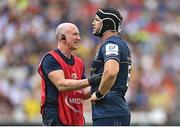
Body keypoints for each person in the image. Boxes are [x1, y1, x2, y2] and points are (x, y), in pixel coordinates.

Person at [38, 23, 101, 126]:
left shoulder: (79, 62)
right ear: (63, 38)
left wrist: (102, 84)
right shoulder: (51, 58)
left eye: (79, 34)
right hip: (56, 118)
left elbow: (84, 93)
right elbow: (61, 85)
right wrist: (91, 81)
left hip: (75, 118)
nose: (79, 38)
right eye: (75, 34)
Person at [90, 7, 132, 126]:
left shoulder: (111, 44)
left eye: (97, 20)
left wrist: (99, 94)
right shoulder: (118, 44)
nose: (93, 23)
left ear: (107, 23)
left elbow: (111, 71)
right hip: (112, 112)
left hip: (110, 112)